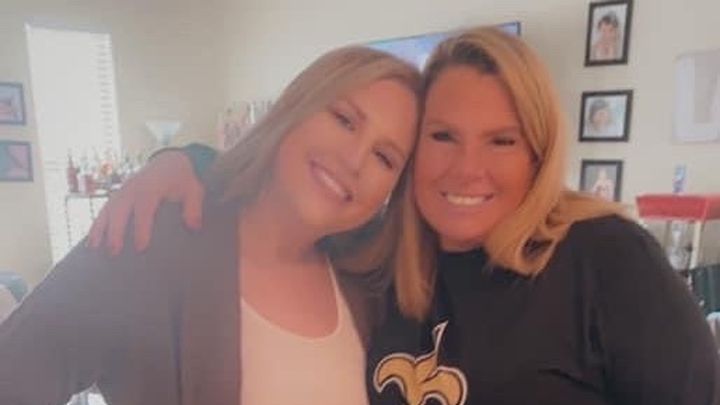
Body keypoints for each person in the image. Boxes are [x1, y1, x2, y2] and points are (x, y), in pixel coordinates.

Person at [87, 27, 720, 404]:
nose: (467, 170)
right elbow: (280, 192)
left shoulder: (605, 258)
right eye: (443, 137)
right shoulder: (372, 258)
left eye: (501, 141)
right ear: (410, 154)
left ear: (538, 153)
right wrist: (185, 160)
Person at [0, 46, 422, 405]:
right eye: (344, 120)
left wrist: (189, 158)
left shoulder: (369, 283)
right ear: (295, 109)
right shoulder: (155, 237)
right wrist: (179, 159)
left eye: (384, 158)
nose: (355, 160)